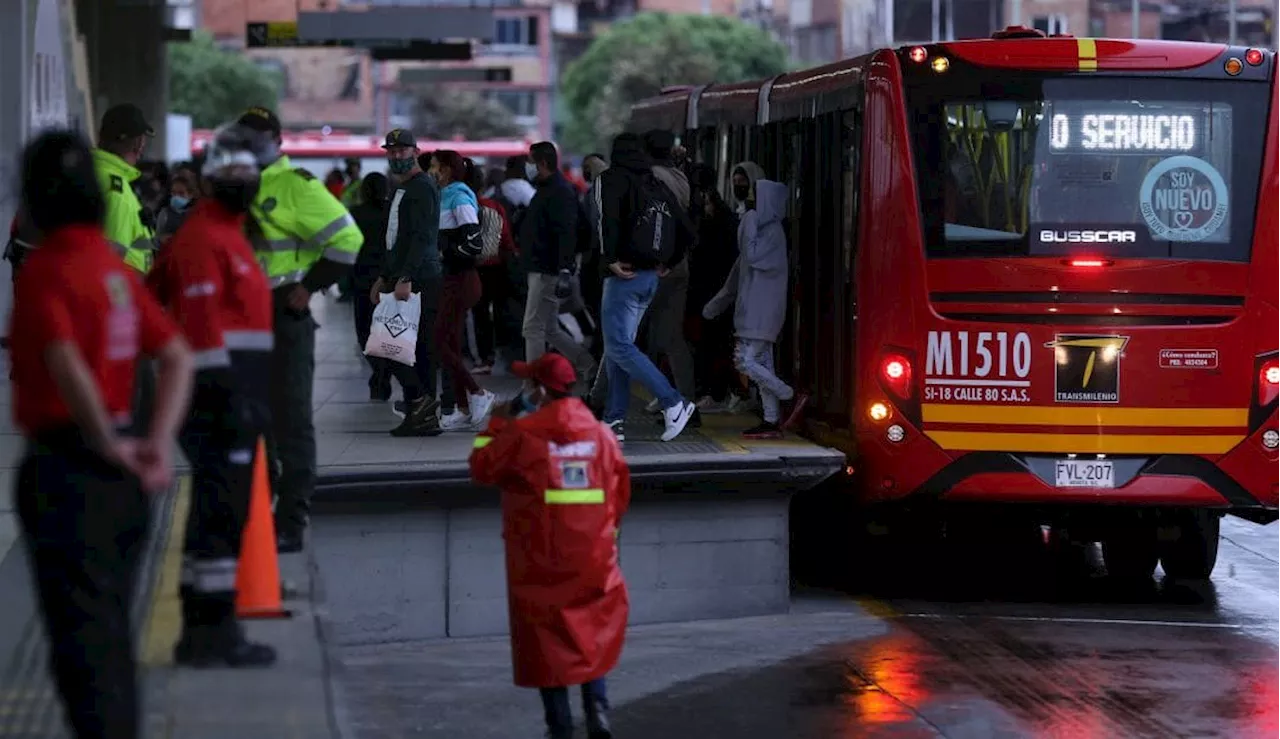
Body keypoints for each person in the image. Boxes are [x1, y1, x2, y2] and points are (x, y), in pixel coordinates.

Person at [10, 129, 194, 739]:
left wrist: (100, 439)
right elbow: (176, 358)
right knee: (113, 628)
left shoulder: (47, 269)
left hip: (67, 468)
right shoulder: (111, 270)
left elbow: (64, 361)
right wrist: (152, 443)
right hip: (123, 475)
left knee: (78, 642)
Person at [146, 122, 278, 668]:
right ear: (206, 178)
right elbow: (200, 330)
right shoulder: (206, 239)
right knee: (219, 513)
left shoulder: (225, 233)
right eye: (229, 169)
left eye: (248, 168)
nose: (240, 177)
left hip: (230, 394)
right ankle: (209, 632)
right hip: (219, 399)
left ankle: (209, 627)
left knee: (220, 511)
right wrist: (230, 399)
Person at [468, 352, 629, 739]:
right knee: (590, 631)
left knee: (547, 642)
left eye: (528, 385)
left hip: (539, 559)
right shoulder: (602, 436)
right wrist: (607, 542)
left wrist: (496, 422)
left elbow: (481, 467)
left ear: (539, 390)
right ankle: (598, 713)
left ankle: (559, 727)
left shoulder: (524, 435)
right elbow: (619, 494)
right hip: (592, 556)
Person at [237, 105, 363, 553]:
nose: (251, 145)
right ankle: (260, 506)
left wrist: (308, 286)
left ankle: (291, 516)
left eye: (259, 137)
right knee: (252, 418)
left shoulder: (296, 187)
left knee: (290, 419)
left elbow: (348, 239)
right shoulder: (236, 187)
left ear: (277, 140)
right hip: (243, 318)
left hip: (282, 314)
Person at [593, 132, 697, 444]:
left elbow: (604, 220)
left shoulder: (612, 179)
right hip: (651, 277)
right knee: (619, 348)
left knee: (619, 347)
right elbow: (687, 230)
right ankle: (614, 420)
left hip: (624, 276)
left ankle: (673, 402)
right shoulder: (654, 182)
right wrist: (668, 261)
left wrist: (608, 259)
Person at [702, 179, 808, 438]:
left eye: (754, 197)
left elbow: (751, 257)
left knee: (745, 361)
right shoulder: (760, 234)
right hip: (750, 313)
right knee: (762, 364)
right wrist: (713, 307)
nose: (749, 204)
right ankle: (771, 420)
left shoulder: (772, 234)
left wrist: (747, 223)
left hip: (762, 313)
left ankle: (787, 394)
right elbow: (735, 279)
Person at [372, 129, 443, 437]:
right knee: (396, 347)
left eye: (402, 151)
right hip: (401, 277)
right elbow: (394, 238)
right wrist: (384, 277)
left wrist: (405, 278)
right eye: (391, 151)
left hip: (419, 279)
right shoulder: (402, 187)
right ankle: (421, 411)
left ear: (416, 151)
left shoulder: (423, 187)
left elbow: (421, 237)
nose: (396, 156)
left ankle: (422, 408)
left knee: (402, 347)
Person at [424, 149, 497, 431]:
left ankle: (479, 393)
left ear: (446, 169)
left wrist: (443, 254)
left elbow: (473, 243)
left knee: (439, 341)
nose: (430, 171)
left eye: (434, 166)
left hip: (461, 280)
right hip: (451, 280)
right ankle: (463, 408)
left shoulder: (459, 195)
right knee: (450, 343)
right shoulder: (445, 194)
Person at [520, 141, 597, 384]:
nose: (528, 167)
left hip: (547, 269)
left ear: (542, 163)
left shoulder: (558, 191)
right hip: (544, 267)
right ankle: (588, 364)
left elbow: (567, 232)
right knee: (550, 329)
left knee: (532, 328)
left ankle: (535, 384)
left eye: (530, 161)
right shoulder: (550, 189)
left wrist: (565, 267)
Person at [93, 103, 157, 274]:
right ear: (138, 143)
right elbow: (111, 264)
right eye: (143, 139)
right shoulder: (117, 191)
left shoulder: (92, 174)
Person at [351, 172, 392, 400]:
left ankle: (379, 373)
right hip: (389, 279)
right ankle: (383, 371)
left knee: (365, 332)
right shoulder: (393, 212)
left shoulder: (356, 214)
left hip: (363, 279)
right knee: (386, 330)